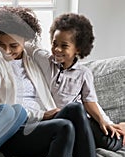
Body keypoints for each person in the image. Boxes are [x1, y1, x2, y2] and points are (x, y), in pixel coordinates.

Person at [0, 6, 97, 157]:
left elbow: (57, 55)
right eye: (1, 44)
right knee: (64, 127)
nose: (6, 51)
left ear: (25, 41)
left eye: (14, 45)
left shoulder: (33, 58)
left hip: (44, 124)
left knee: (75, 108)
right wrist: (41, 115)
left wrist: (106, 121)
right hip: (14, 131)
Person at [28, 13, 125, 150]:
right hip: (60, 119)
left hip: (81, 120)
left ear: (77, 49)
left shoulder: (83, 73)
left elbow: (89, 102)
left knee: (109, 140)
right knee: (73, 121)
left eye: (64, 46)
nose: (57, 49)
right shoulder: (45, 61)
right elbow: (28, 45)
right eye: (54, 43)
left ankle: (121, 127)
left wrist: (103, 121)